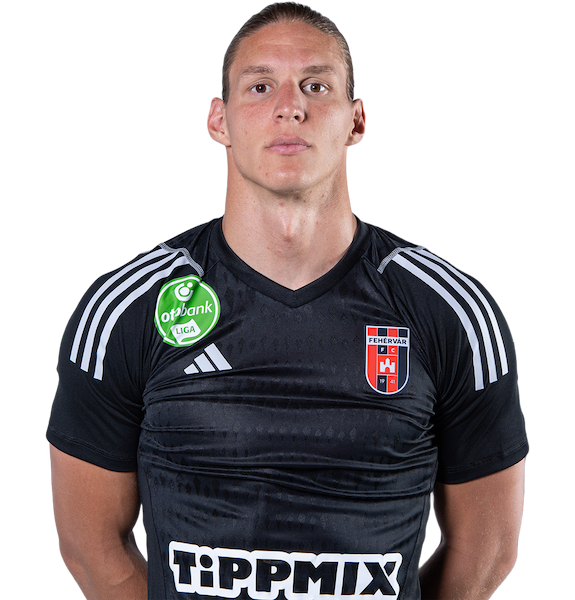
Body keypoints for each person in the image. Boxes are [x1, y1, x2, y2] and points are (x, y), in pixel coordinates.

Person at [46, 2, 529, 599]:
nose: (289, 106)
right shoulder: (126, 309)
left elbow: (487, 552)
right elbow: (90, 547)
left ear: (357, 121)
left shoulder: (451, 311)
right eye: (260, 86)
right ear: (218, 120)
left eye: (315, 86)